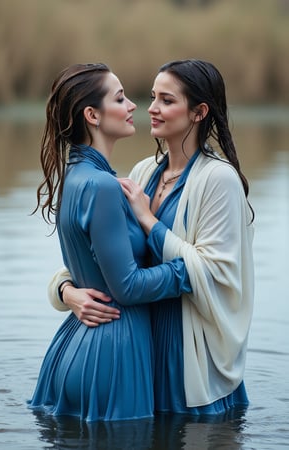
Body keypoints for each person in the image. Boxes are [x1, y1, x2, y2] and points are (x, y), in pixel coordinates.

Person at [49, 59, 255, 417]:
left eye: (166, 100)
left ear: (198, 112)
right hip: (138, 346)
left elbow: (217, 271)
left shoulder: (218, 180)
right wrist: (66, 291)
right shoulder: (142, 173)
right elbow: (108, 256)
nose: (151, 109)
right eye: (152, 97)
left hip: (186, 355)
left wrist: (149, 221)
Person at [28, 63, 192, 422]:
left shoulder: (76, 176)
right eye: (120, 98)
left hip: (76, 344)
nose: (133, 105)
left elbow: (89, 266)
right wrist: (190, 269)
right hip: (114, 350)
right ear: (92, 115)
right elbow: (128, 286)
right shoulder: (102, 186)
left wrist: (65, 290)